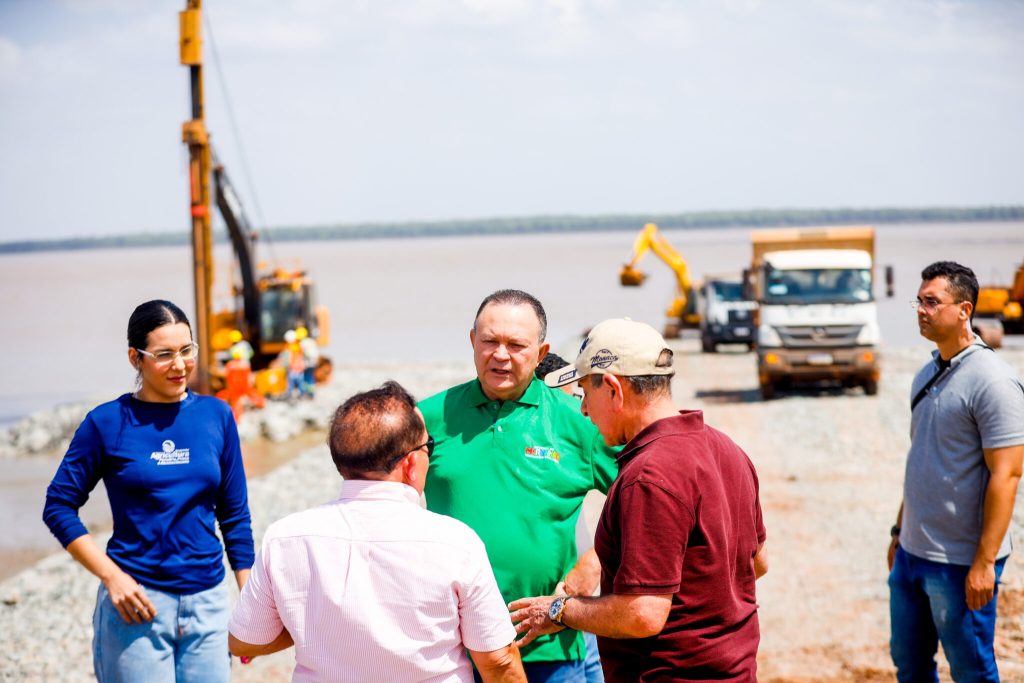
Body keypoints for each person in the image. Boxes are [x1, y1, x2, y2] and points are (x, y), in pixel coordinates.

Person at [509, 318, 768, 682]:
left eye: (584, 394)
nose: (583, 411)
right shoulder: (727, 449)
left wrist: (557, 610)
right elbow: (755, 564)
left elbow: (643, 614)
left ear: (614, 389)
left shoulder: (648, 476)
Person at [228, 381, 526, 682]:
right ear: (410, 463)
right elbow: (498, 661)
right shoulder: (455, 542)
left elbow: (244, 640)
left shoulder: (285, 538)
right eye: (428, 447)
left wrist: (312, 625)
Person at [42, 299, 254, 683]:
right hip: (136, 604)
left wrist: (251, 600)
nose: (180, 364)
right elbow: (58, 505)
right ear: (134, 358)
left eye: (187, 350)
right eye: (164, 354)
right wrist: (112, 577)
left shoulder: (217, 415)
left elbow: (234, 513)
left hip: (208, 603)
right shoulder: (106, 423)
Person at [419, 289, 619, 681]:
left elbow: (642, 503)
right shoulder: (428, 418)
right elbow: (383, 506)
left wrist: (593, 564)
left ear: (542, 353)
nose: (500, 354)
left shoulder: (579, 423)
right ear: (472, 341)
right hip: (449, 647)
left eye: (516, 344)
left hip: (548, 644)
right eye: (490, 340)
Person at [888, 261, 1024, 683]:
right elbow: (922, 460)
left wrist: (983, 563)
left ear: (964, 310)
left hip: (959, 563)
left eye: (933, 302)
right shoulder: (927, 374)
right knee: (910, 666)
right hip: (911, 555)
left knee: (971, 671)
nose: (921, 310)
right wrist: (898, 533)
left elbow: (1008, 475)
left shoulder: (993, 381)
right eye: (919, 301)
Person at [534, 353, 604, 683]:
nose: (581, 408)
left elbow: (636, 504)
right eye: (574, 396)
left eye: (581, 395)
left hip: (584, 612)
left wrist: (593, 563)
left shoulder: (578, 443)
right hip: (550, 626)